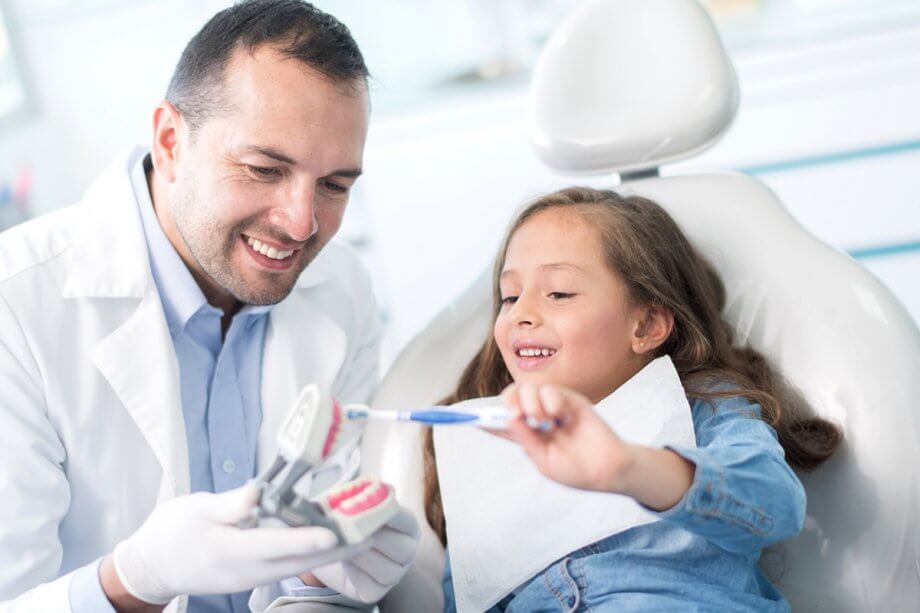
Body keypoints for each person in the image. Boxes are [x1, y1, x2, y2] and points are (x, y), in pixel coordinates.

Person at [0, 1, 419, 611]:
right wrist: (132, 579)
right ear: (171, 141)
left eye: (334, 186)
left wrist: (322, 581)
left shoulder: (341, 286)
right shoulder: (15, 304)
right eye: (263, 169)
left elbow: (315, 545)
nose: (301, 224)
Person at [422, 187, 842, 611]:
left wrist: (628, 467)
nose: (519, 314)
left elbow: (776, 506)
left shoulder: (700, 405)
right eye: (510, 296)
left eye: (559, 293)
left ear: (645, 325)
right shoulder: (483, 451)